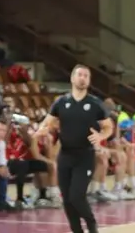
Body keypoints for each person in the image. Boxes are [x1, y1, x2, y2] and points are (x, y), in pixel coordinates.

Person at [37, 65, 113, 233]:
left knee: (77, 196)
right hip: (65, 155)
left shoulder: (95, 104)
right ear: (72, 78)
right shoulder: (61, 102)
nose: (82, 78)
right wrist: (43, 129)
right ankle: (76, 230)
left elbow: (109, 127)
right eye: (79, 75)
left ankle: (92, 225)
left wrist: (101, 136)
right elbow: (48, 122)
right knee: (67, 200)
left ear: (89, 80)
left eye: (86, 76)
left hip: (84, 156)